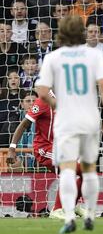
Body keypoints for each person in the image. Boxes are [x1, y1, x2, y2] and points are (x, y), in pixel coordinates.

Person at [36, 15, 103, 233]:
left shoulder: (53, 57)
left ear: (60, 33)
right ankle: (89, 213)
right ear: (81, 33)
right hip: (89, 118)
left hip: (66, 119)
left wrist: (56, 103)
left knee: (68, 169)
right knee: (89, 169)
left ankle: (69, 216)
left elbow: (41, 91)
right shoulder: (94, 55)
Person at [6, 91, 85, 219]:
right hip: (43, 148)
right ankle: (57, 210)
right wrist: (12, 148)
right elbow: (25, 123)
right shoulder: (44, 100)